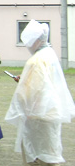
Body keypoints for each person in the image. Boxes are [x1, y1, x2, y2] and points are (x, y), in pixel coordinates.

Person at [5, 20, 75, 165]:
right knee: (50, 151)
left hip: (38, 116)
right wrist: (24, 80)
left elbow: (32, 92)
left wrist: (27, 109)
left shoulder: (36, 61)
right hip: (51, 111)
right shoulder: (49, 54)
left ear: (35, 41)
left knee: (38, 156)